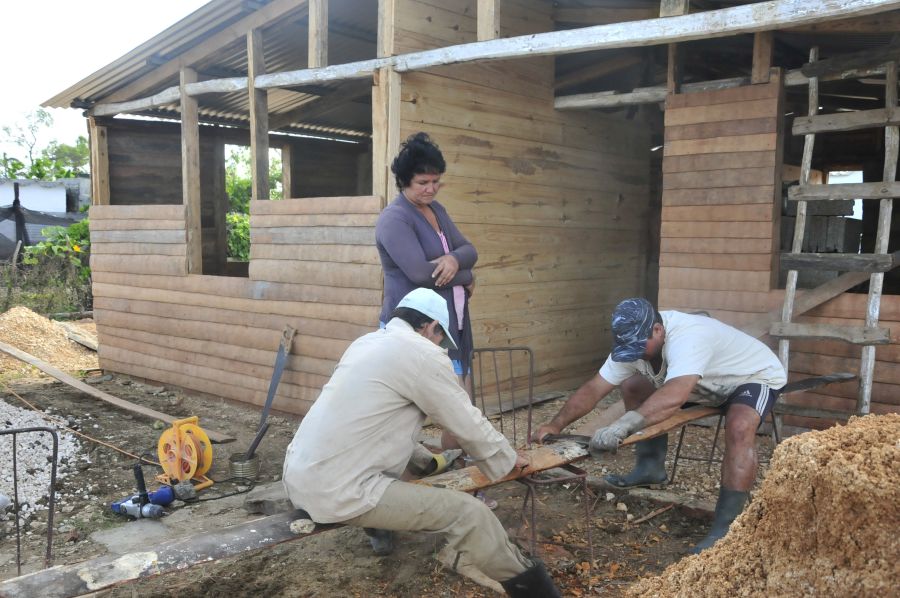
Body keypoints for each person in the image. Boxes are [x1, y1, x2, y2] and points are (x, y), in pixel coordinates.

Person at [282, 288, 560, 597]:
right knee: (470, 515)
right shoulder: (421, 352)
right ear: (430, 327)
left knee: (428, 491)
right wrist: (507, 459)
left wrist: (427, 462)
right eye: (441, 336)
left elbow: (373, 423)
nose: (440, 344)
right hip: (338, 491)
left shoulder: (367, 343)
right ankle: (538, 593)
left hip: (299, 477)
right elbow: (464, 420)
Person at [532, 298, 786, 553]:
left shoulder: (688, 336)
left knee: (740, 426)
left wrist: (621, 427)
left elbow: (675, 396)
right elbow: (594, 388)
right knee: (632, 386)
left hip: (750, 377)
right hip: (703, 383)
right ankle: (649, 468)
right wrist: (555, 424)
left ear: (657, 329)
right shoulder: (633, 339)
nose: (636, 354)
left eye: (640, 347)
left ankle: (726, 528)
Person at [376, 132, 477, 388]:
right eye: (423, 182)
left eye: (436, 181)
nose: (431, 188)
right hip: (413, 327)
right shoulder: (395, 219)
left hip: (447, 322)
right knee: (431, 403)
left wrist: (453, 258)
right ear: (404, 181)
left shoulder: (436, 210)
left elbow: (469, 250)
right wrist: (467, 276)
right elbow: (420, 274)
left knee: (459, 400)